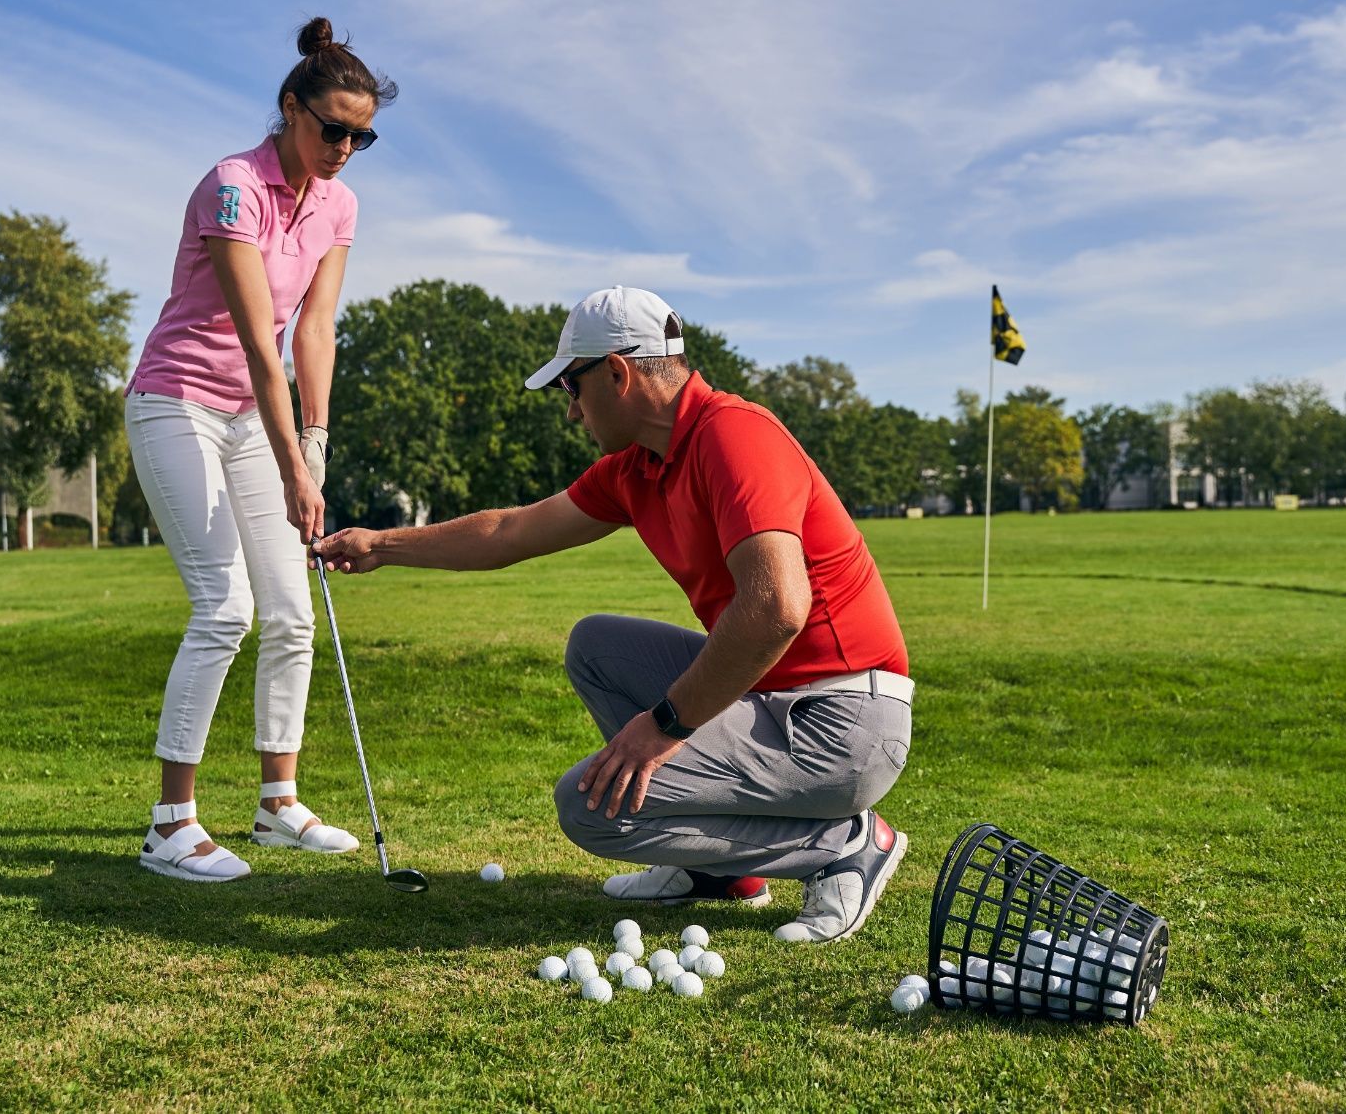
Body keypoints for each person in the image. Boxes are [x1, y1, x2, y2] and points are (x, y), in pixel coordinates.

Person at [315, 286, 914, 942]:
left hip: (841, 722)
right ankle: (712, 870)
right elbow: (508, 531)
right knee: (596, 645)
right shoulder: (636, 469)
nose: (571, 412)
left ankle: (843, 845)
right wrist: (381, 545)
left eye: (570, 388)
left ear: (617, 373)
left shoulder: (735, 436)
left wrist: (663, 725)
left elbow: (775, 607)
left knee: (591, 808)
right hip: (772, 700)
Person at [124, 17, 396, 882]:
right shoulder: (232, 187)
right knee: (225, 605)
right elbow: (256, 342)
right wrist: (292, 463)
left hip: (256, 416)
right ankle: (170, 822)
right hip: (177, 403)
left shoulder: (339, 202)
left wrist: (313, 444)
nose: (346, 148)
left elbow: (315, 328)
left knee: (291, 609)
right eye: (332, 129)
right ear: (290, 109)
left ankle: (277, 802)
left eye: (362, 135)